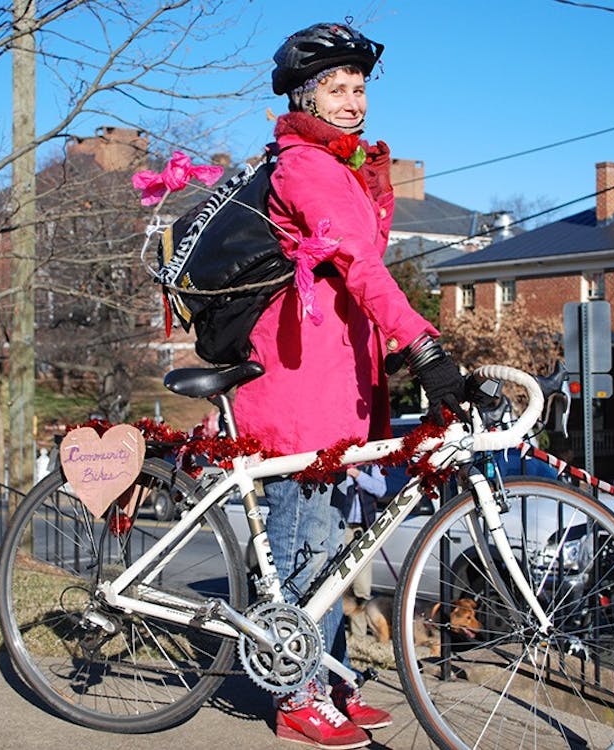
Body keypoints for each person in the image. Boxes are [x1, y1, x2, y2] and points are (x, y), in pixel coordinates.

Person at [232, 21, 466, 750]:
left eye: (359, 87)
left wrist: (392, 354)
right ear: (305, 96)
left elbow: (356, 274)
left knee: (332, 547)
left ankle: (326, 674)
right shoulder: (304, 167)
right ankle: (295, 694)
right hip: (298, 386)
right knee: (302, 545)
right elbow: (361, 267)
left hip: (338, 382)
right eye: (336, 88)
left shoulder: (341, 166)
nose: (353, 100)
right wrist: (422, 345)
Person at [338, 464, 387, 638]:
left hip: (364, 529)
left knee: (362, 586)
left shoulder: (373, 466)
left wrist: (357, 475)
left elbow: (380, 490)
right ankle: (338, 633)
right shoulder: (340, 463)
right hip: (341, 527)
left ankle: (358, 635)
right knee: (339, 583)